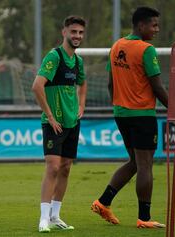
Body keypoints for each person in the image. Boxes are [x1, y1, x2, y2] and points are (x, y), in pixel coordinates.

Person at [91, 6, 168, 228]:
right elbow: (158, 87)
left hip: (121, 113)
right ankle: (144, 218)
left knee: (135, 162)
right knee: (145, 165)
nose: (157, 29)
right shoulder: (146, 49)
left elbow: (110, 83)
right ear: (140, 25)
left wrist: (120, 104)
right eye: (153, 25)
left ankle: (103, 202)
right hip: (142, 114)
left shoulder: (116, 46)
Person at [32, 15, 87, 233]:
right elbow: (37, 86)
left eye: (81, 32)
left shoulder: (79, 61)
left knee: (65, 168)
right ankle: (43, 219)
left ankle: (55, 216)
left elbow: (82, 83)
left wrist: (81, 105)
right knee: (53, 167)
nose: (77, 36)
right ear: (64, 32)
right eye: (73, 32)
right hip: (53, 123)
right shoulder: (54, 57)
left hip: (72, 122)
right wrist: (51, 117)